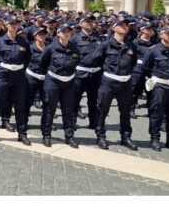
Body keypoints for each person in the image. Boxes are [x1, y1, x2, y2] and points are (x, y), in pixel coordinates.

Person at [86, 19, 138, 150]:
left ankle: (126, 137)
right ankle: (101, 136)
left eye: (126, 25)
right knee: (102, 111)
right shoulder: (106, 45)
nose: (125, 27)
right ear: (114, 28)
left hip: (125, 83)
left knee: (125, 112)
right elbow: (94, 59)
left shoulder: (130, 45)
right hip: (108, 82)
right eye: (121, 25)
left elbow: (133, 62)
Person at [0, 15, 32, 145]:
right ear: (6, 25)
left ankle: (22, 133)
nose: (13, 25)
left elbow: (28, 59)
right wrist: (2, 67)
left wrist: (19, 69)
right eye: (11, 23)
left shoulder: (24, 42)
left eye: (16, 23)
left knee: (20, 106)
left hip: (19, 77)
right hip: (3, 75)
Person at [39, 23, 80, 148]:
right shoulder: (51, 48)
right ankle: (46, 135)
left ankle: (69, 136)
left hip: (69, 82)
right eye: (63, 31)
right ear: (58, 33)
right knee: (49, 109)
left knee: (67, 110)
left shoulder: (74, 48)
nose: (66, 33)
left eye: (68, 31)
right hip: (53, 81)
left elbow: (77, 60)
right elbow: (43, 63)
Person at [71, 15, 102, 129]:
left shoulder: (98, 37)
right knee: (75, 98)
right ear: (81, 23)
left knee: (94, 99)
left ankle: (94, 122)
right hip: (80, 73)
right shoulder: (75, 38)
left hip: (95, 73)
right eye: (87, 21)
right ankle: (72, 121)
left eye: (91, 21)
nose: (90, 23)